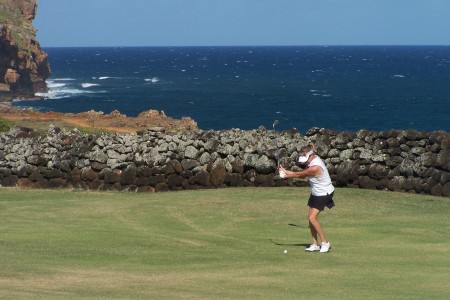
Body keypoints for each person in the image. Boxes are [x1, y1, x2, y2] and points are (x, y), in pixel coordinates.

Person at [278, 142, 335, 253]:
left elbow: (301, 175)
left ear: (310, 156)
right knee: (310, 217)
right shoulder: (312, 157)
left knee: (312, 218)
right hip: (316, 192)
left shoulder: (315, 167)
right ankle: (314, 244)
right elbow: (300, 173)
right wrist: (285, 171)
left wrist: (285, 175)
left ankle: (325, 242)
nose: (305, 163)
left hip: (324, 193)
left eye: (305, 161)